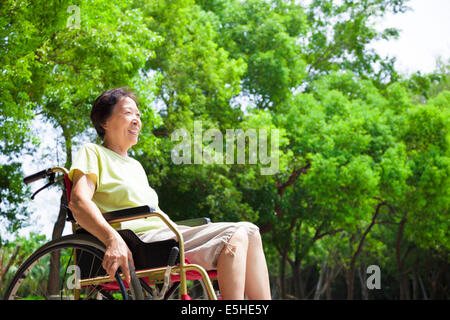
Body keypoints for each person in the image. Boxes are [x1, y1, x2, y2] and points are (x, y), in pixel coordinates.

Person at [68, 87, 271, 300]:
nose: (137, 120)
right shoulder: (94, 152)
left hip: (164, 235)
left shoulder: (135, 165)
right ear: (104, 122)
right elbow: (79, 203)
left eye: (138, 115)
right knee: (235, 235)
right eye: (128, 113)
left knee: (251, 231)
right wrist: (112, 239)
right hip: (140, 241)